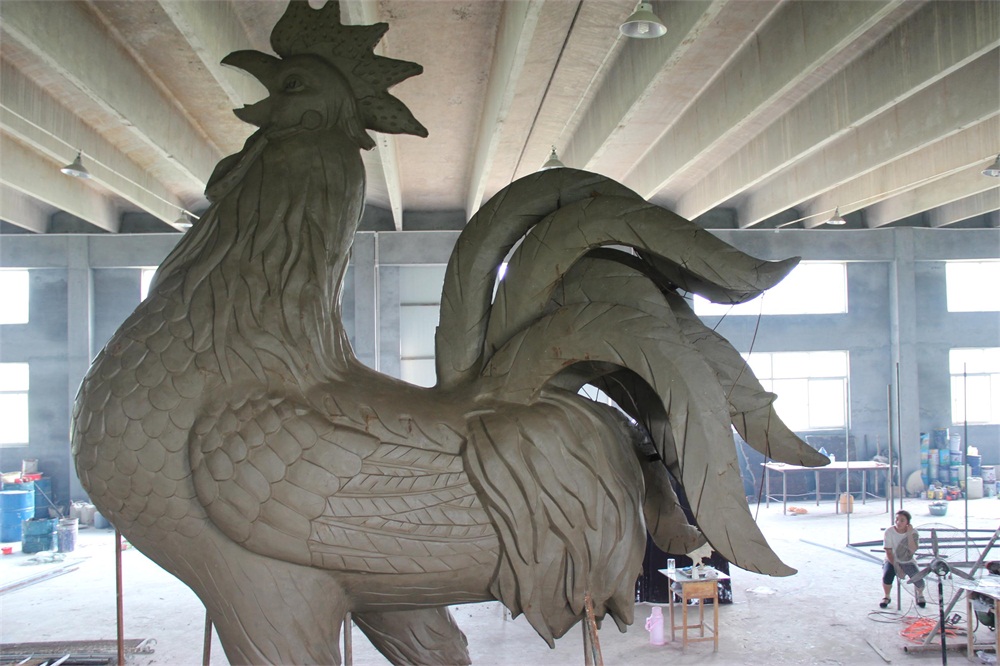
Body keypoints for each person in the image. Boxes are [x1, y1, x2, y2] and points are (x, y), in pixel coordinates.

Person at [880, 509, 926, 609]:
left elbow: (913, 550)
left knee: (918, 579)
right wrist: (897, 567)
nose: (898, 522)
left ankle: (920, 594)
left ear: (907, 522)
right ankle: (887, 596)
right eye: (897, 519)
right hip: (892, 559)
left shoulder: (913, 532)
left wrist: (909, 534)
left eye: (902, 520)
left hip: (907, 560)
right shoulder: (889, 532)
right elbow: (888, 551)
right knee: (887, 575)